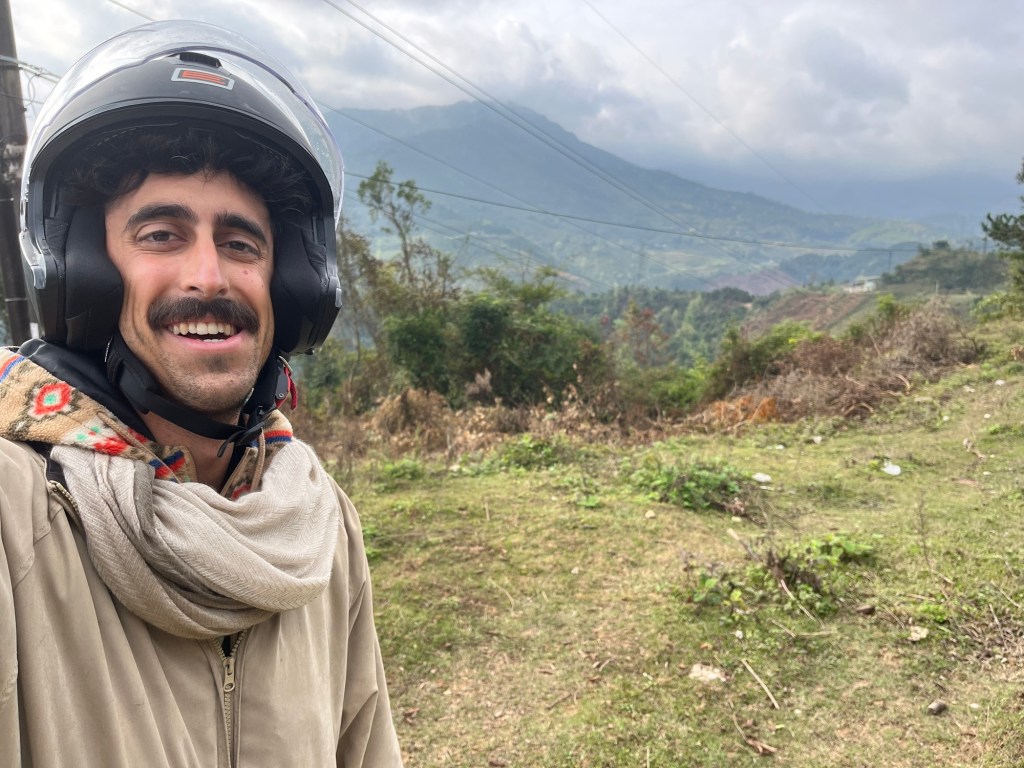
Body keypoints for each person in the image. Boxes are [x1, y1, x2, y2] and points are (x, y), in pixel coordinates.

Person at [0, 20, 403, 767]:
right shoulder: (16, 513)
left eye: (241, 244)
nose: (209, 277)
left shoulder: (319, 523)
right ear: (84, 272)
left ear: (292, 287)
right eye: (161, 234)